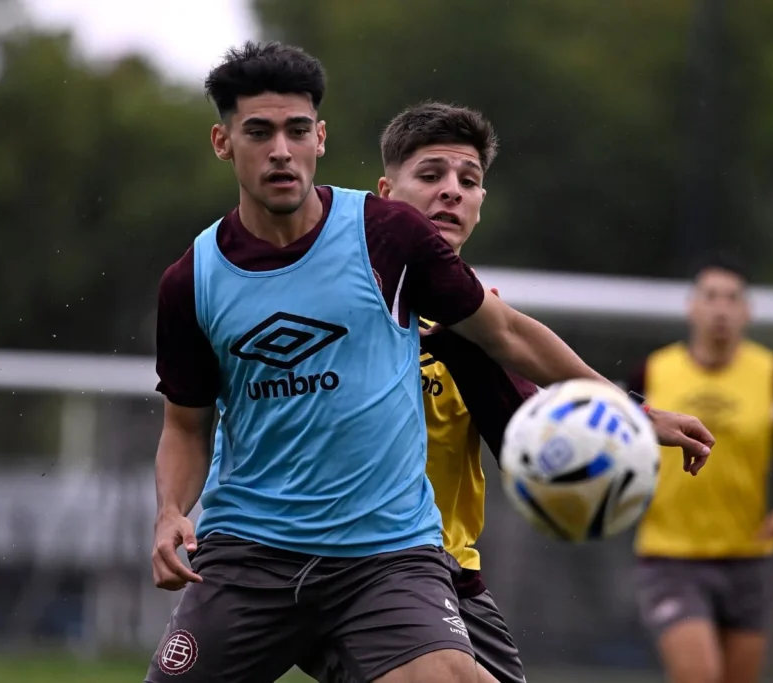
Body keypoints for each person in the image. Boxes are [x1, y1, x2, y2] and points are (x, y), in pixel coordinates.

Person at [147, 41, 715, 683]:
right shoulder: (192, 280)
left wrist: (629, 410)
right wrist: (171, 512)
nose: (281, 149)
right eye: (259, 132)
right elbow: (186, 427)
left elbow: (508, 334)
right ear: (224, 142)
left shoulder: (387, 236)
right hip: (249, 550)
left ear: (321, 137)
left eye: (296, 130)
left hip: (384, 555)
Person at [300, 101, 534, 683]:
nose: (451, 191)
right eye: (430, 176)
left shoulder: (489, 326)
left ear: (482, 202)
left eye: (469, 180)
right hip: (334, 567)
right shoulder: (332, 305)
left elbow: (529, 450)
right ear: (385, 192)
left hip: (450, 572)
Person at [627, 253, 773, 683]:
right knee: (699, 675)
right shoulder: (653, 373)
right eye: (710, 296)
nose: (720, 308)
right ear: (691, 306)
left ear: (746, 311)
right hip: (669, 556)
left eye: (731, 298)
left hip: (747, 558)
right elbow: (614, 444)